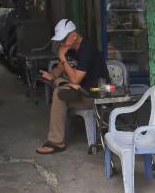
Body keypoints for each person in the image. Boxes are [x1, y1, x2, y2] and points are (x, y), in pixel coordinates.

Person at [36, 19, 109, 155]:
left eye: (64, 40)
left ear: (74, 35)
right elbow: (59, 69)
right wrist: (51, 75)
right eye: (61, 41)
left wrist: (62, 57)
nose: (62, 44)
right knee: (62, 87)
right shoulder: (70, 49)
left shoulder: (87, 50)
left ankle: (56, 142)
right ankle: (63, 85)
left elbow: (75, 79)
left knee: (59, 94)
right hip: (78, 89)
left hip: (95, 93)